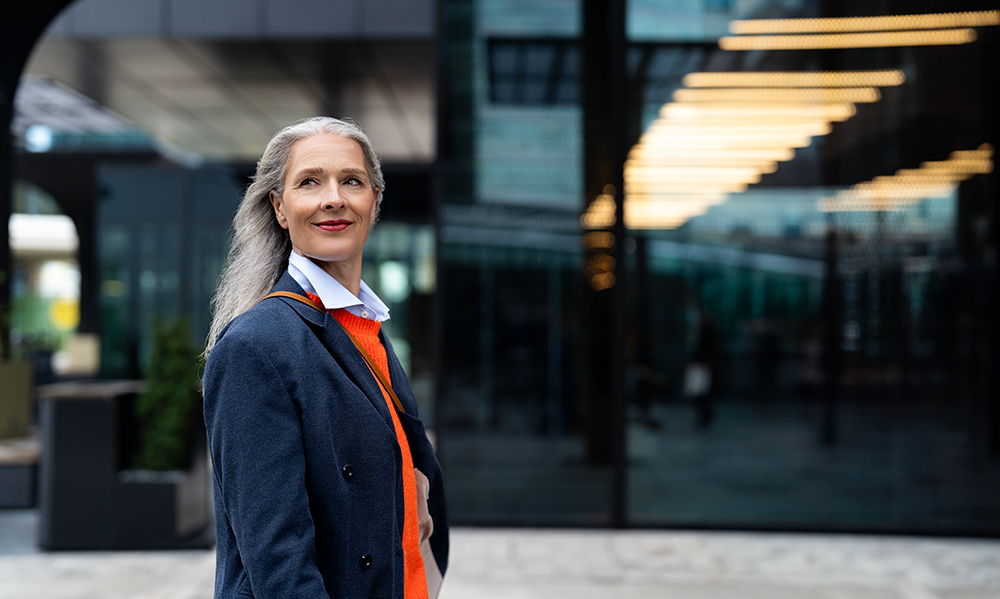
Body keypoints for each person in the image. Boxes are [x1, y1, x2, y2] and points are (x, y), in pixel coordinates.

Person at [202, 117, 447, 599]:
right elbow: (279, 562)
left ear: (374, 201)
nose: (333, 198)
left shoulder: (365, 327)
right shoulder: (255, 346)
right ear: (279, 206)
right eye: (309, 182)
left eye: (351, 181)